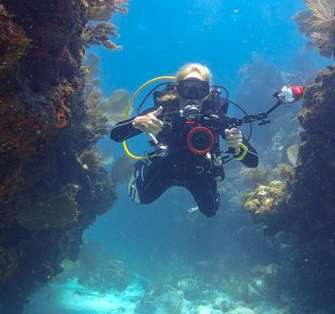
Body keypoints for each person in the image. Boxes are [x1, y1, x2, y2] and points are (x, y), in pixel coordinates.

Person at [110, 63, 259, 217]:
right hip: (165, 167)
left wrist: (237, 147)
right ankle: (142, 166)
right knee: (141, 198)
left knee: (211, 211)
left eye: (200, 89)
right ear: (177, 90)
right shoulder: (162, 113)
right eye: (186, 88)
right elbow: (115, 134)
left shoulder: (217, 119)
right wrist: (136, 123)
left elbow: (253, 161)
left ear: (207, 93)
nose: (192, 96)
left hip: (199, 172)